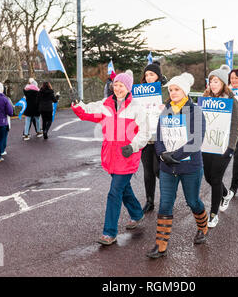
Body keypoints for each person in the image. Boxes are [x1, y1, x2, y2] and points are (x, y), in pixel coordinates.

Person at [71, 72, 151, 246]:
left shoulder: (137, 107)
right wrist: (77, 104)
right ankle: (137, 213)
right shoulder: (105, 104)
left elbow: (145, 132)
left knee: (114, 193)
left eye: (121, 85)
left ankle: (109, 232)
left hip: (128, 155)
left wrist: (133, 146)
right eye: (115, 85)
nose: (117, 88)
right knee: (124, 189)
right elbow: (86, 112)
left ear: (128, 88)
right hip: (111, 156)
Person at [146, 72, 207, 259]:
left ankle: (203, 228)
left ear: (185, 91)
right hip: (167, 167)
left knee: (192, 201)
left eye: (176, 89)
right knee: (165, 204)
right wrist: (162, 154)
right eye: (171, 90)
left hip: (189, 167)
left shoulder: (195, 111)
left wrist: (176, 156)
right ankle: (161, 244)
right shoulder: (165, 111)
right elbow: (158, 137)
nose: (173, 92)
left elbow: (196, 141)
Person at [202, 65, 238, 228]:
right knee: (209, 178)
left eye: (216, 81)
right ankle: (225, 194)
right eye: (210, 81)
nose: (212, 84)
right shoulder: (205, 99)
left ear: (223, 83)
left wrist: (231, 148)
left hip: (223, 147)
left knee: (216, 178)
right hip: (206, 145)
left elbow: (235, 126)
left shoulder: (232, 101)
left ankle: (213, 214)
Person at [139, 61, 166, 214]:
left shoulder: (165, 91)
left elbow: (174, 108)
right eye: (146, 75)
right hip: (145, 135)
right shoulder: (140, 92)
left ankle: (167, 197)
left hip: (160, 136)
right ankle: (149, 201)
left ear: (158, 76)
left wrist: (166, 107)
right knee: (148, 171)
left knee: (158, 169)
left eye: (152, 74)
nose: (148, 77)